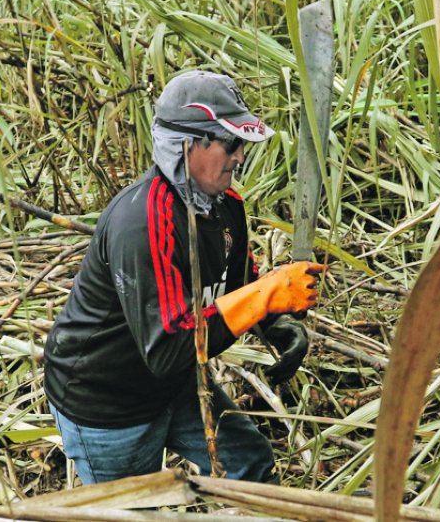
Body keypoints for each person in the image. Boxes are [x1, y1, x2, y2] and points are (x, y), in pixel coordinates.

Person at [43, 70, 324, 484]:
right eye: (231, 143)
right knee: (138, 511)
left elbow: (239, 280)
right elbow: (169, 349)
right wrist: (265, 296)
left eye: (241, 144)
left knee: (251, 464)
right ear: (188, 144)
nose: (240, 157)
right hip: (108, 402)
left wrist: (276, 321)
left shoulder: (226, 205)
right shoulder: (144, 222)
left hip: (175, 384)